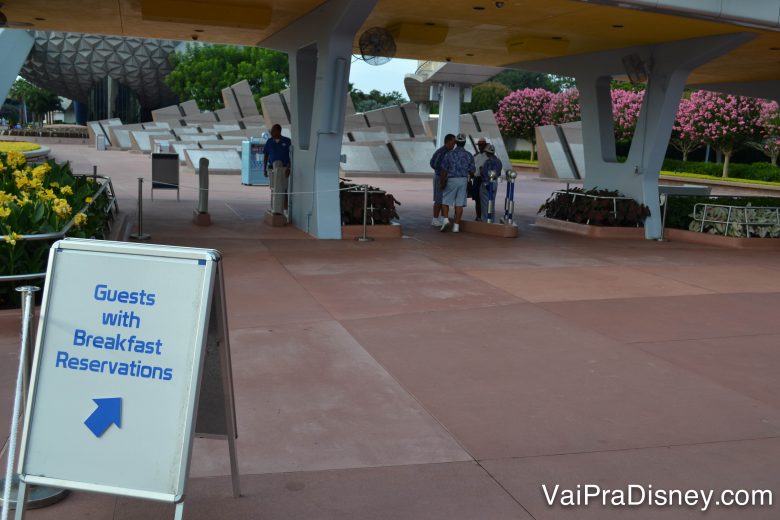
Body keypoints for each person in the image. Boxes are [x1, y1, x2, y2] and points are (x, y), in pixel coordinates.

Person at [439, 133, 475, 233]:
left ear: (456, 142)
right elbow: (472, 171)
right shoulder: (468, 155)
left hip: (451, 179)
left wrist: (442, 182)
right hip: (463, 180)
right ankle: (456, 226)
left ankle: (446, 219)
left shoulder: (449, 154)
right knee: (459, 204)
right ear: (464, 143)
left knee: (445, 201)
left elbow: (444, 170)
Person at [263, 124, 292, 215]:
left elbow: (291, 156)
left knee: (284, 189)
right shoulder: (269, 141)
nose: (271, 133)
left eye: (273, 131)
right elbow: (266, 155)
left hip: (284, 169)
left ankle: (285, 209)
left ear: (279, 131)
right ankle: (274, 208)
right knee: (273, 188)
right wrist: (264, 169)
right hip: (272, 169)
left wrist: (289, 168)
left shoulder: (287, 141)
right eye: (271, 131)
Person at [429, 133, 456, 226]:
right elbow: (433, 164)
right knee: (438, 199)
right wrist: (443, 170)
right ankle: (435, 219)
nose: (454, 144)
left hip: (445, 177)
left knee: (443, 199)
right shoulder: (441, 152)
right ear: (448, 141)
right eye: (453, 142)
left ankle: (441, 218)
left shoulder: (450, 152)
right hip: (439, 177)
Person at [479, 144, 503, 222]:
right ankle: (491, 219)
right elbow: (498, 173)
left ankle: (485, 220)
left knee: (485, 204)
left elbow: (484, 173)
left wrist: (481, 169)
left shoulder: (487, 162)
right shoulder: (499, 161)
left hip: (487, 183)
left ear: (487, 152)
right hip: (495, 183)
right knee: (492, 202)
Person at [470, 137, 489, 220]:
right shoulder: (475, 156)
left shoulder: (488, 157)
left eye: (482, 145)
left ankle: (484, 216)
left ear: (485, 146)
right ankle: (478, 216)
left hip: (483, 179)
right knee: (477, 199)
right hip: (476, 179)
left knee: (484, 199)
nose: (480, 147)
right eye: (479, 145)